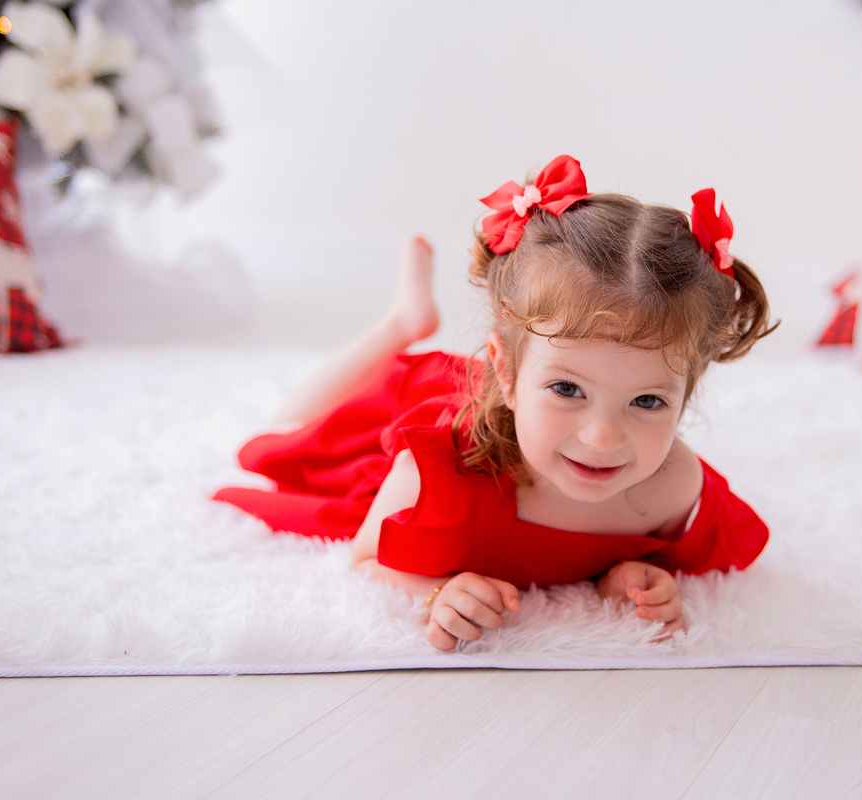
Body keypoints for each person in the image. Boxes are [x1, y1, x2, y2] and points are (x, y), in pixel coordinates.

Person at [215, 155, 776, 652]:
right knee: (284, 436)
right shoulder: (436, 470)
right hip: (438, 406)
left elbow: (654, 554)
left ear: (687, 393)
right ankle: (401, 323)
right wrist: (435, 591)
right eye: (568, 390)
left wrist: (627, 573)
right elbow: (365, 558)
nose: (603, 438)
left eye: (648, 400)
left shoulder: (672, 488)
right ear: (505, 373)